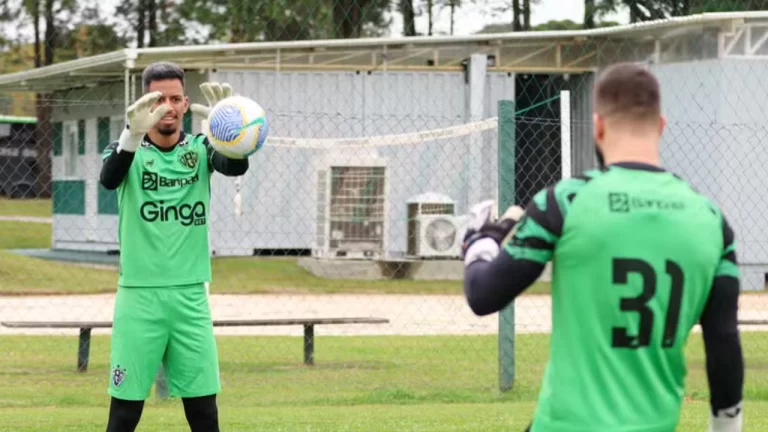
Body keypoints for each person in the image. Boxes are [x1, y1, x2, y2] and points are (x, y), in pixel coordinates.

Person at [460, 62, 744, 432]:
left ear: (598, 126)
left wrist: (480, 239)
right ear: (661, 126)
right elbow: (722, 341)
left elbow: (484, 294)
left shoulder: (566, 200)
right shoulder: (710, 219)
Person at [99, 61, 249, 432]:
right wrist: (131, 136)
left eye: (176, 99)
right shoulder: (125, 149)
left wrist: (226, 133)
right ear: (146, 104)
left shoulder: (200, 148)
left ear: (185, 105)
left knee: (204, 412)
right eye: (159, 99)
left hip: (190, 297)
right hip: (139, 297)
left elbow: (235, 167)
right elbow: (108, 178)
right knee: (124, 412)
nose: (168, 107)